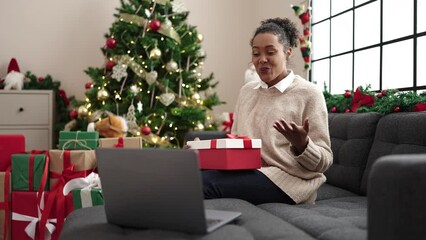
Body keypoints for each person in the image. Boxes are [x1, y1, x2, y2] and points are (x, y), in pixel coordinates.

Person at [201, 17, 333, 205]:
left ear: (287, 53)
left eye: (270, 52)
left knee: (205, 184)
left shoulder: (309, 94)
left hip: (289, 181)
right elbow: (236, 144)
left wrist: (303, 145)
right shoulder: (247, 92)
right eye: (256, 53)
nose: (262, 59)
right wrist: (204, 153)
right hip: (249, 173)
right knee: (188, 173)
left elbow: (325, 162)